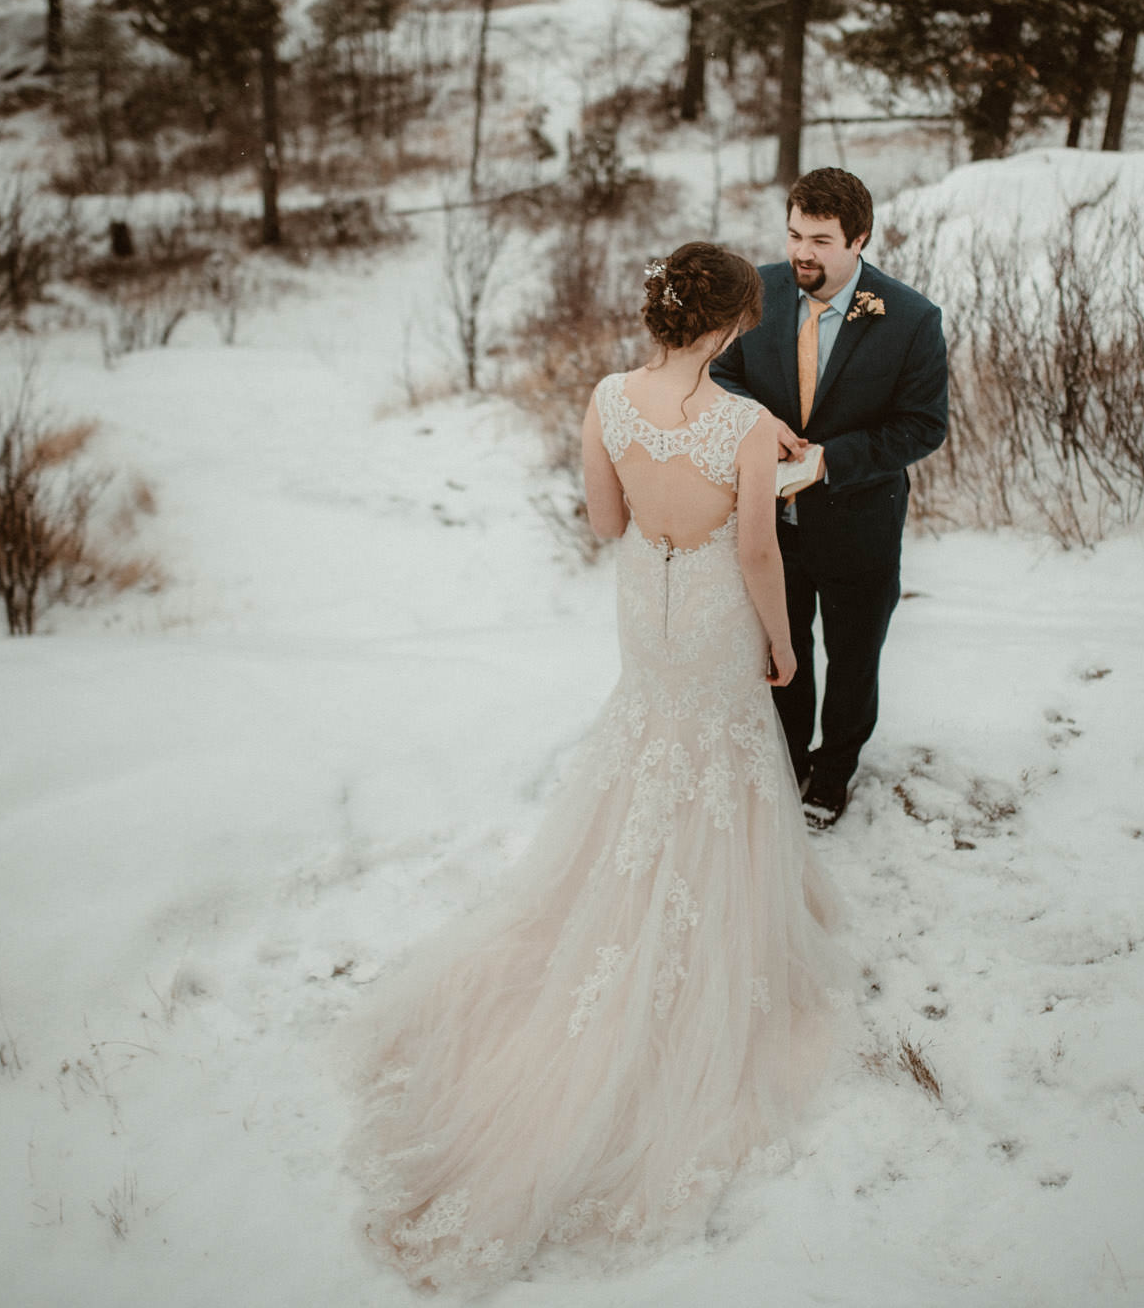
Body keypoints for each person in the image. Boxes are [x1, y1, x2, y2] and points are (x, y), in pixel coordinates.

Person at [337, 242, 853, 1291]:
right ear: (719, 329)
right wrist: (784, 645)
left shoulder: (607, 397)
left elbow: (606, 519)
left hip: (643, 604)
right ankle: (717, 929)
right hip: (712, 600)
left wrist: (664, 514)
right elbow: (759, 552)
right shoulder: (747, 427)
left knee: (648, 742)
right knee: (720, 750)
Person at [709, 167, 949, 829]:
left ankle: (835, 770)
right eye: (793, 234)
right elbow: (722, 375)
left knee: (851, 658)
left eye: (820, 238)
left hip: (859, 526)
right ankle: (786, 762)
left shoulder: (911, 318)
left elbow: (924, 424)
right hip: (770, 526)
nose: (801, 253)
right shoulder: (758, 291)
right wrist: (760, 420)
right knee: (780, 653)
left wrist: (831, 460)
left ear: (860, 238)